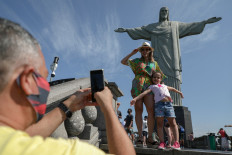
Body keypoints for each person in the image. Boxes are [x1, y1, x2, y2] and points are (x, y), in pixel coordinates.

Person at [0, 17, 136, 155]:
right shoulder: (69, 151)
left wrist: (68, 106)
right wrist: (108, 108)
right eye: (43, 77)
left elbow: (25, 137)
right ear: (27, 81)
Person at [115, 7, 222, 106]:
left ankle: (175, 103)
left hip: (172, 57)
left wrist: (205, 22)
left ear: (168, 13)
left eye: (166, 11)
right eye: (162, 11)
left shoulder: (174, 25)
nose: (164, 13)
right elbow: (141, 30)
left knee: (172, 76)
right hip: (158, 57)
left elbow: (190, 26)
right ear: (159, 13)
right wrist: (127, 30)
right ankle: (160, 101)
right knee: (157, 77)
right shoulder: (153, 27)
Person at [121, 41, 165, 147]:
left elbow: (160, 77)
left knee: (150, 110)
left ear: (150, 51)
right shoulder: (136, 61)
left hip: (149, 87)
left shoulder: (154, 64)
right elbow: (123, 61)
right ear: (140, 51)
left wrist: (163, 91)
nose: (145, 51)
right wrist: (132, 53)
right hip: (137, 86)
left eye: (147, 49)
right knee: (138, 109)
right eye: (143, 49)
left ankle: (150, 137)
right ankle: (140, 137)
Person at [131, 71, 184, 150]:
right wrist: (135, 99)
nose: (156, 78)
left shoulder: (164, 85)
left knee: (173, 123)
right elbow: (144, 93)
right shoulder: (152, 87)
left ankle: (176, 143)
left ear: (161, 79)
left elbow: (172, 89)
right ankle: (162, 142)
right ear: (152, 79)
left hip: (169, 105)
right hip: (159, 106)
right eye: (154, 77)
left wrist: (180, 92)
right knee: (159, 124)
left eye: (158, 77)